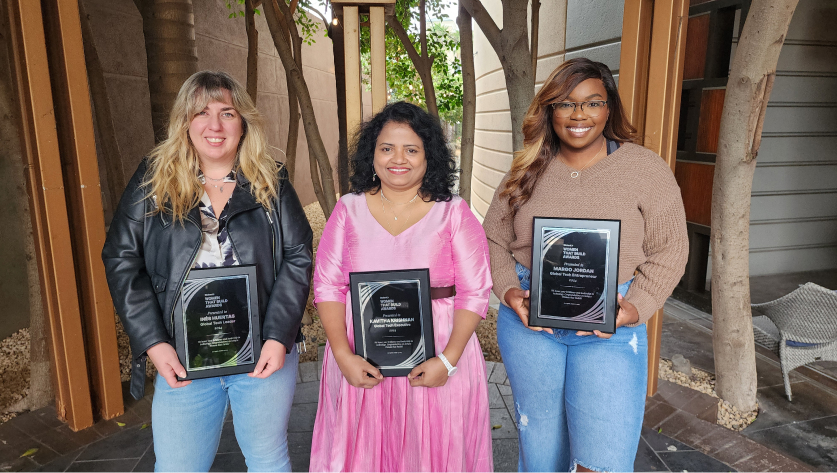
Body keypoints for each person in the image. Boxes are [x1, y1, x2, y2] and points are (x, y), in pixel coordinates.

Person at [483, 58, 688, 472]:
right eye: (565, 103)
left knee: (603, 459)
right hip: (530, 323)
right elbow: (491, 238)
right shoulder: (526, 168)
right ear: (550, 111)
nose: (579, 115)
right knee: (540, 451)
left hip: (610, 324)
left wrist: (638, 305)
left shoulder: (644, 168)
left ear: (609, 108)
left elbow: (672, 249)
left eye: (592, 102)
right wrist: (508, 290)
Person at [102, 71, 313, 472]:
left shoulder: (272, 178)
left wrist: (278, 336)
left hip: (262, 354)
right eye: (202, 112)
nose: (214, 126)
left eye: (227, 113)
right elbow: (121, 258)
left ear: (243, 122)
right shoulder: (154, 179)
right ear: (184, 121)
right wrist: (153, 342)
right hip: (183, 356)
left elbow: (298, 255)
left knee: (268, 460)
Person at [310, 101, 493, 471]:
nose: (399, 159)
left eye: (412, 149)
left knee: (434, 453)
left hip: (439, 353)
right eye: (386, 148)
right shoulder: (348, 210)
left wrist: (448, 360)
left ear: (430, 157)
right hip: (362, 354)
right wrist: (343, 356)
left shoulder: (453, 212)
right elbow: (327, 286)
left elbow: (475, 291)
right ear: (371, 155)